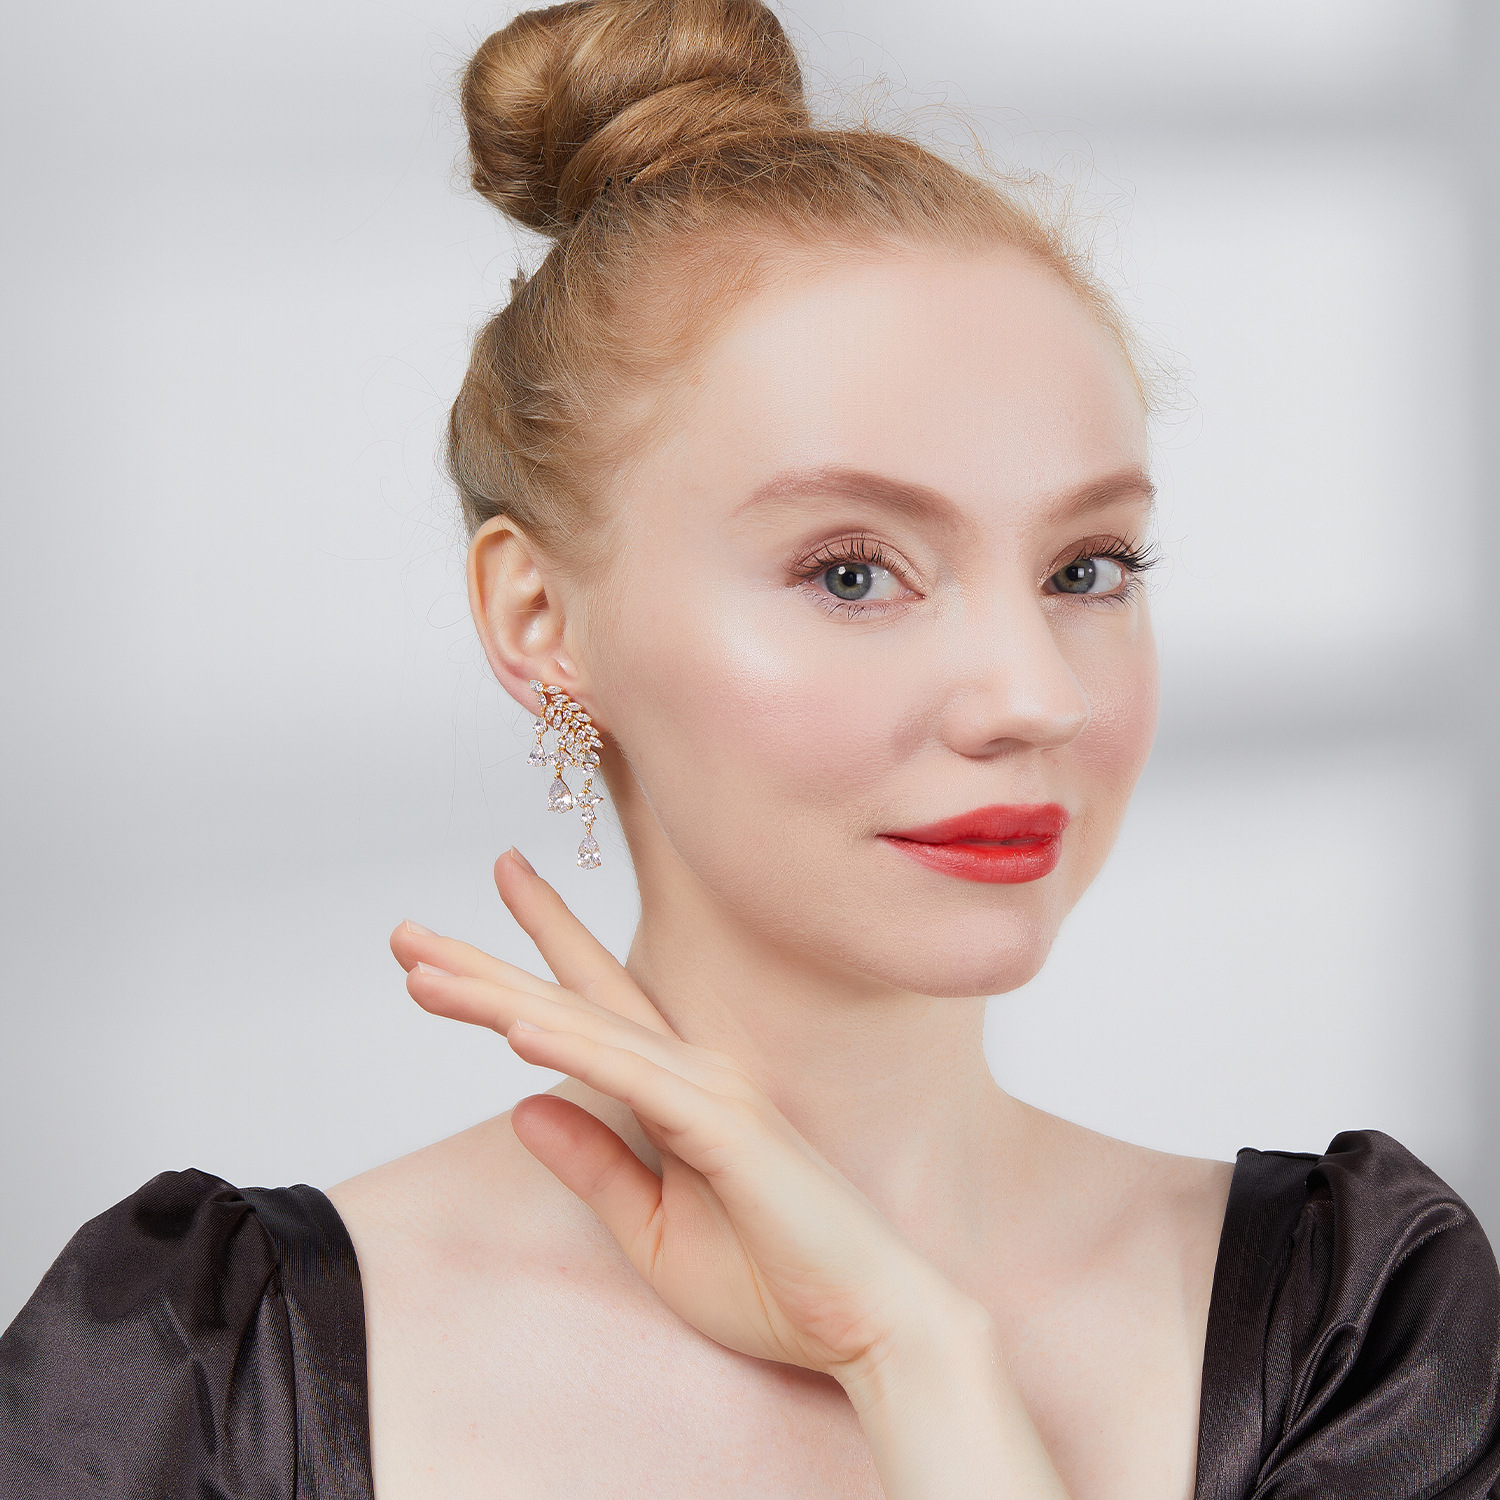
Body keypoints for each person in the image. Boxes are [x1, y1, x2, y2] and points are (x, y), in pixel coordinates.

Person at [3, 1, 1498, 1495]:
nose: (1031, 696)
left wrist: (916, 1357)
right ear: (539, 617)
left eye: (1086, 568)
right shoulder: (202, 1377)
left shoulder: (1360, 1329)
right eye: (851, 572)